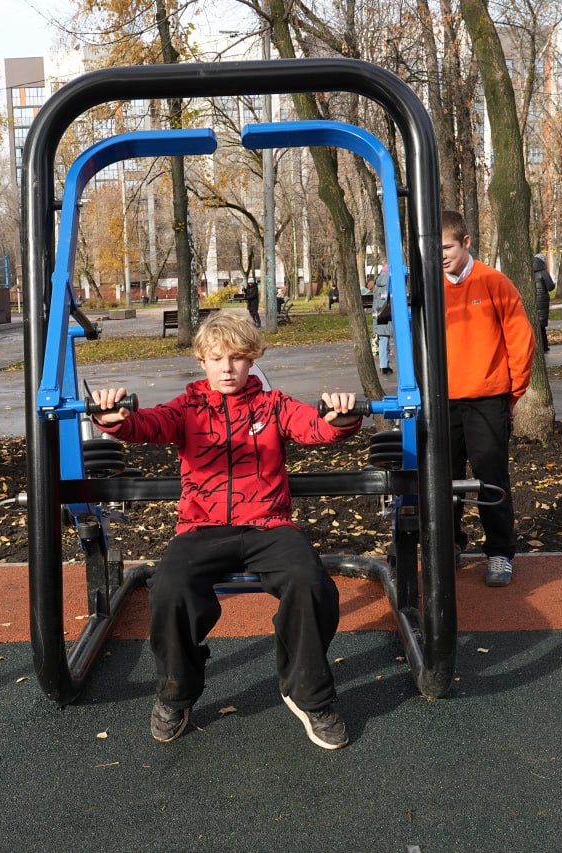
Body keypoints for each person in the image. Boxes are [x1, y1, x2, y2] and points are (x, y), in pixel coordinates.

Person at [89, 311, 363, 749]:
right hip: (202, 527)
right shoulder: (187, 408)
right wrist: (113, 417)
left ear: (252, 359)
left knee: (311, 583)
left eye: (236, 358)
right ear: (202, 360)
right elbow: (145, 425)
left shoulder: (273, 406)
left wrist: (340, 419)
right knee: (169, 587)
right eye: (217, 358)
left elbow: (314, 426)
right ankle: (177, 694)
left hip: (268, 526)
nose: (227, 368)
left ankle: (307, 693)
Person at [440, 210, 535, 587]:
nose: (441, 254)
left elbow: (520, 340)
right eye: (434, 248)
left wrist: (514, 391)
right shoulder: (430, 288)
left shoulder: (494, 282)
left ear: (465, 242)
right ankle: (449, 545)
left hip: (486, 399)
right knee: (442, 480)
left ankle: (500, 552)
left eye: (446, 246)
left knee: (491, 477)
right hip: (442, 401)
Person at [532, 254, 556, 353]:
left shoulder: (528, 270)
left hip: (532, 300)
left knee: (535, 324)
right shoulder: (543, 272)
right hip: (542, 300)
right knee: (541, 324)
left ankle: (539, 346)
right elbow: (550, 287)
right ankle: (544, 346)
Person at [372, 265, 393, 374]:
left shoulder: (379, 282)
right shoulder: (389, 281)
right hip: (386, 315)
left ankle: (384, 365)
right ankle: (384, 366)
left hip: (379, 315)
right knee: (385, 340)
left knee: (383, 340)